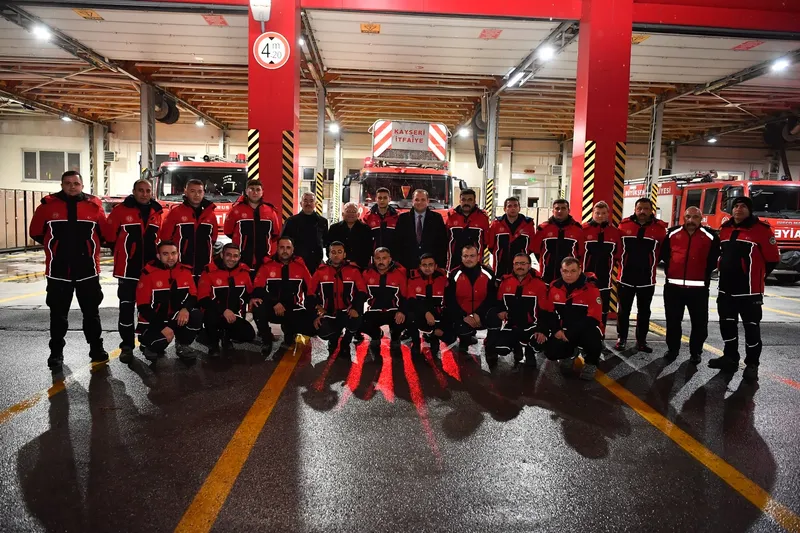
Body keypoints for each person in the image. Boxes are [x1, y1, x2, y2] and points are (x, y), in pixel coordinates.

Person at [29, 170, 108, 371]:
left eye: (76, 183)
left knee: (91, 313)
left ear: (82, 185)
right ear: (62, 185)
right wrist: (57, 249)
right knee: (58, 315)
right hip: (58, 271)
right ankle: (56, 353)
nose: (72, 187)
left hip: (88, 271)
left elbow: (105, 234)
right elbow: (36, 232)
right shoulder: (47, 207)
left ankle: (96, 349)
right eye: (67, 183)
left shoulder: (94, 206)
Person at [709, 196, 780, 380]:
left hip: (750, 291)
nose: (738, 209)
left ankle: (752, 364)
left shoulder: (761, 230)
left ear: (750, 210)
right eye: (736, 206)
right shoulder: (725, 229)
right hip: (726, 290)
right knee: (727, 325)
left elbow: (772, 259)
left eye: (743, 206)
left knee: (751, 328)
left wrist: (756, 276)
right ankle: (730, 357)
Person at [103, 179, 163, 364]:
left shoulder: (157, 212)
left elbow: (160, 239)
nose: (144, 194)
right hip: (127, 270)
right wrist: (124, 253)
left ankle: (147, 342)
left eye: (148, 191)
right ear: (134, 191)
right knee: (126, 310)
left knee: (148, 309)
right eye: (141, 190)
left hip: (150, 271)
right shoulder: (120, 211)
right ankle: (127, 346)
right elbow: (109, 236)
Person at [660, 206, 720, 364]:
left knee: (699, 323)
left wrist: (703, 272)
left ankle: (696, 352)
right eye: (688, 217)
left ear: (701, 219)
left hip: (698, 290)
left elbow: (714, 258)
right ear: (683, 218)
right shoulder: (672, 234)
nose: (691, 220)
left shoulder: (710, 236)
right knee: (673, 322)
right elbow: (664, 255)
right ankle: (672, 350)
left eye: (695, 217)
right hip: (673, 288)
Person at [135, 240, 203, 362]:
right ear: (158, 256)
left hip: (174, 318)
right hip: (154, 321)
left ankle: (182, 345)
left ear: (178, 254)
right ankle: (147, 345)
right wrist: (162, 327)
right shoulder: (148, 274)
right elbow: (143, 306)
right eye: (165, 254)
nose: (171, 257)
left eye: (173, 253)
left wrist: (185, 309)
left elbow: (193, 295)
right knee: (157, 345)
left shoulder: (185, 271)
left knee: (196, 315)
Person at [615, 198, 667, 352]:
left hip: (647, 279)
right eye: (639, 208)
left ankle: (641, 341)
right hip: (625, 277)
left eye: (646, 208)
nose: (642, 211)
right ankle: (622, 338)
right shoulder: (623, 226)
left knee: (644, 312)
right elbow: (618, 249)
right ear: (635, 209)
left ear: (651, 210)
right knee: (623, 311)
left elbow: (663, 252)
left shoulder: (659, 229)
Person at [485, 252, 554, 368]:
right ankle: (517, 348)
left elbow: (545, 311)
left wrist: (542, 330)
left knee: (540, 342)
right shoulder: (505, 282)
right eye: (516, 263)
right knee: (500, 347)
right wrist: (501, 312)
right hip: (512, 325)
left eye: (523, 263)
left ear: (529, 265)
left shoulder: (539, 284)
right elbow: (499, 304)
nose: (519, 266)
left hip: (532, 326)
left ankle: (530, 352)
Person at [253, 236, 313, 356]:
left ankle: (290, 333)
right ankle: (266, 339)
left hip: (292, 307)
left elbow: (311, 290)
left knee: (310, 324)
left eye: (288, 248)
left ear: (293, 249)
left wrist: (312, 311)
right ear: (277, 248)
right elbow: (258, 288)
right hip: (272, 307)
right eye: (282, 247)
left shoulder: (301, 266)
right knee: (257, 307)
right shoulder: (267, 265)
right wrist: (274, 302)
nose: (285, 251)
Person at [546, 257, 604, 381]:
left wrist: (570, 333)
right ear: (561, 271)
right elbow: (549, 312)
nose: (569, 275)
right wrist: (556, 330)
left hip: (585, 329)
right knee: (551, 351)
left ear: (579, 271)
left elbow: (594, 318)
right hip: (564, 329)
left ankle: (591, 363)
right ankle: (570, 353)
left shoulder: (591, 289)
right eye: (565, 271)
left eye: (573, 271)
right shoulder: (554, 287)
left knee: (593, 339)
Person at [307, 241, 366, 359]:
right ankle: (333, 339)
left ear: (344, 254)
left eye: (339, 252)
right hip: (328, 312)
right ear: (328, 254)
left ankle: (346, 342)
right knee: (321, 328)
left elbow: (362, 292)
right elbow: (310, 294)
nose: (336, 255)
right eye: (333, 252)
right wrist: (317, 309)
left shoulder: (354, 271)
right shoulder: (320, 272)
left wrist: (355, 308)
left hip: (347, 311)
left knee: (357, 318)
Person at [197, 243, 257, 357]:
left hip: (234, 315)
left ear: (239, 257)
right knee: (211, 316)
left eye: (235, 256)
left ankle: (226, 336)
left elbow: (249, 292)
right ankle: (213, 343)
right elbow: (202, 299)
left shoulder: (244, 272)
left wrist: (252, 298)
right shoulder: (208, 272)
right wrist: (223, 310)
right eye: (228, 255)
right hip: (214, 314)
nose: (232, 259)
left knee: (248, 335)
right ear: (222, 255)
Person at [581, 201, 622, 351]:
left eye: (603, 213)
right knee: (583, 310)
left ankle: (600, 338)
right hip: (584, 281)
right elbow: (576, 253)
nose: (600, 216)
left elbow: (618, 255)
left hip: (605, 281)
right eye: (597, 213)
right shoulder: (582, 230)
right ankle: (581, 338)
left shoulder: (615, 232)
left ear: (608, 214)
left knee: (602, 312)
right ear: (593, 213)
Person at [159, 178, 218, 280]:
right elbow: (165, 238)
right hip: (181, 267)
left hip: (204, 268)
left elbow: (213, 238)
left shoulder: (210, 214)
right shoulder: (175, 213)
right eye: (192, 191)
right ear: (185, 192)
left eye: (199, 191)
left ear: (204, 193)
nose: (196, 195)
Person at [445, 244, 495, 357]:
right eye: (465, 256)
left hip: (481, 314)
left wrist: (478, 314)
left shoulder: (488, 273)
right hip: (463, 315)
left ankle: (491, 345)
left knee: (495, 316)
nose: (468, 259)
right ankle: (465, 339)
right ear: (461, 258)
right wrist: (464, 316)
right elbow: (450, 300)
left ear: (478, 257)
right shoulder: (454, 274)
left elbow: (491, 299)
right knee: (455, 325)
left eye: (472, 256)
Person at [224, 179, 281, 271]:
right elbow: (228, 231)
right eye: (252, 189)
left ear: (262, 192)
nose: (255, 192)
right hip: (240, 259)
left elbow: (275, 234)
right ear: (246, 191)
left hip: (265, 260)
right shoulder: (236, 210)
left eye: (258, 189)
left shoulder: (270, 212)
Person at [360, 247, 408, 357]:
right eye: (378, 258)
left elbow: (405, 296)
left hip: (393, 311)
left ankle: (395, 337)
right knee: (357, 321)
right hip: (374, 311)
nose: (381, 261)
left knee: (405, 318)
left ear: (390, 259)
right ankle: (376, 335)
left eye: (384, 258)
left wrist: (401, 311)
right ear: (373, 259)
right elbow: (361, 295)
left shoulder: (400, 273)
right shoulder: (366, 273)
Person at [530, 198, 584, 285]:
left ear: (568, 210)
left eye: (563, 208)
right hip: (547, 275)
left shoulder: (577, 230)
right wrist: (547, 261)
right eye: (557, 208)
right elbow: (536, 250)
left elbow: (581, 253)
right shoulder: (543, 228)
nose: (560, 211)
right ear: (553, 211)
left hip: (569, 276)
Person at [406, 253, 449, 358]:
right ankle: (416, 343)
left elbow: (448, 302)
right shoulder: (412, 279)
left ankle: (433, 337)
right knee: (409, 316)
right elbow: (412, 302)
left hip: (436, 312)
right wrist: (426, 313)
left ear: (435, 266)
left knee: (450, 336)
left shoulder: (443, 279)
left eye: (430, 265)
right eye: (424, 265)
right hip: (419, 312)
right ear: (420, 266)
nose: (427, 268)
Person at [395, 189, 447, 270]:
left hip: (430, 267)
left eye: (423, 200)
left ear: (428, 201)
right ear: (412, 201)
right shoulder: (403, 218)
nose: (419, 202)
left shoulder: (437, 218)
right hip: (407, 266)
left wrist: (441, 265)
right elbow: (397, 243)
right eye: (417, 200)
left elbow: (442, 244)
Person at [487, 197, 536, 277]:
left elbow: (532, 246)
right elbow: (491, 246)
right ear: (504, 209)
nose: (513, 208)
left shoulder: (528, 225)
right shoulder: (496, 224)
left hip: (521, 270)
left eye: (515, 206)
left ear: (519, 208)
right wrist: (501, 255)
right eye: (509, 206)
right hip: (500, 269)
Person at [281, 192, 328, 275]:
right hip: (296, 263)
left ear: (315, 204)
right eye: (305, 201)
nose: (308, 203)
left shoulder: (322, 222)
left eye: (311, 201)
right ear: (301, 203)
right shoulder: (291, 222)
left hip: (316, 264)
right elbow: (282, 242)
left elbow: (326, 242)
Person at [445, 188, 491, 271]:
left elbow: (486, 241)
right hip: (454, 264)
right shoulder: (451, 217)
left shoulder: (483, 218)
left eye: (470, 200)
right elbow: (445, 239)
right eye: (463, 200)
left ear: (474, 201)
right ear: (460, 201)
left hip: (475, 264)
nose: (466, 202)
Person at [325, 202, 372, 270]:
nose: (351, 214)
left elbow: (368, 249)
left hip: (360, 267)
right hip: (338, 267)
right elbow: (328, 247)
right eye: (348, 211)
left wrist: (359, 263)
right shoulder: (334, 228)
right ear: (342, 214)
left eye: (353, 212)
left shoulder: (366, 229)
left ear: (358, 214)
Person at [363, 187, 399, 256]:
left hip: (393, 256)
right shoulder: (367, 217)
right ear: (376, 199)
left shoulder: (398, 217)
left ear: (389, 199)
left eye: (385, 198)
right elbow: (364, 240)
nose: (382, 200)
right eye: (380, 198)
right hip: (375, 256)